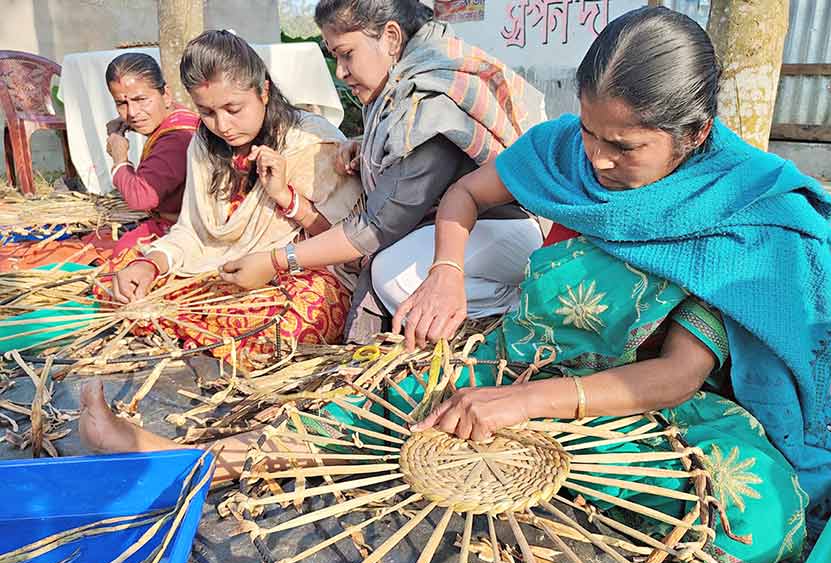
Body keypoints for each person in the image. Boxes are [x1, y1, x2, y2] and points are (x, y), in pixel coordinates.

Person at [389, 6, 831, 563]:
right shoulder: (563, 150)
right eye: (589, 131)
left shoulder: (741, 212)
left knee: (751, 524)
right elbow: (465, 194)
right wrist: (446, 272)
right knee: (389, 411)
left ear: (692, 135)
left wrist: (525, 405)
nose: (596, 159)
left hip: (647, 405)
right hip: (533, 361)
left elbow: (677, 377)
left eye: (624, 146)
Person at [217, 0, 546, 341]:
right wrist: (364, 143)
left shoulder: (429, 102)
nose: (341, 72)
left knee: (391, 275)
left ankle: (518, 306)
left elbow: (375, 226)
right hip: (461, 232)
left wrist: (275, 261)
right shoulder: (402, 80)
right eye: (334, 57)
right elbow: (403, 157)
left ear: (390, 37)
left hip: (505, 231)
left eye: (347, 54)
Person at [108, 30, 363, 366]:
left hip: (304, 270)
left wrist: (286, 198)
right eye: (208, 112)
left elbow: (349, 246)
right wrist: (150, 263)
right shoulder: (204, 145)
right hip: (225, 267)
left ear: (264, 91)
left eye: (233, 108)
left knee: (277, 334)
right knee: (125, 286)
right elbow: (193, 231)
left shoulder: (311, 141)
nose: (223, 126)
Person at [97, 53, 200, 257]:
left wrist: (120, 159)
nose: (133, 112)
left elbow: (140, 198)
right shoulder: (175, 115)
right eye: (122, 104)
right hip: (173, 221)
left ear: (166, 95)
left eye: (141, 99)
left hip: (188, 232)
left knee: (122, 256)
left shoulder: (177, 137)